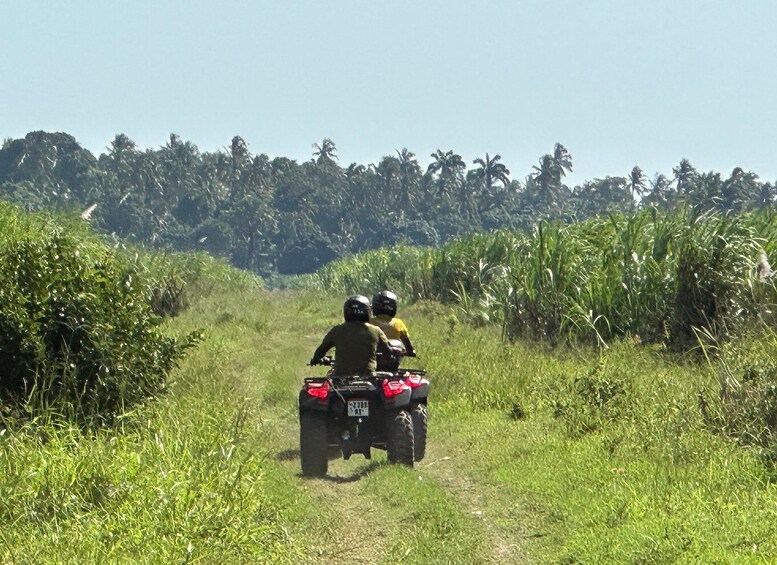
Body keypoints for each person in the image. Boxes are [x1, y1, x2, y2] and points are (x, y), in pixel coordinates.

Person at [310, 295, 392, 376]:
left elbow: (320, 351)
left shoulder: (337, 330)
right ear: (368, 311)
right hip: (368, 376)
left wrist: (316, 359)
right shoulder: (376, 330)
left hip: (340, 376)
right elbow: (389, 351)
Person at [370, 290, 416, 357]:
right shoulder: (399, 323)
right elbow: (408, 345)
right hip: (393, 358)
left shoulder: (369, 322)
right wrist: (411, 352)